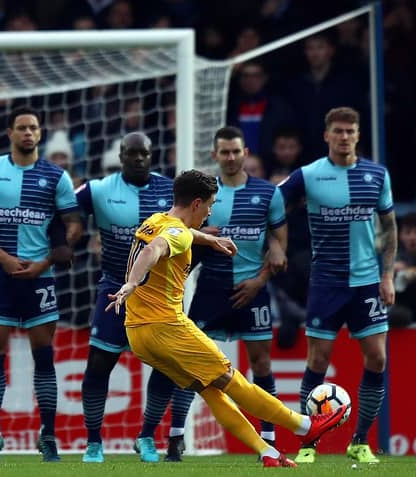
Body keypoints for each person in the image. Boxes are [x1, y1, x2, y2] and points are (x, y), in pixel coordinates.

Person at [107, 169, 349, 468]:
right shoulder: (177, 234)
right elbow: (155, 250)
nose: (210, 212)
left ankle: (268, 452)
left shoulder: (156, 220)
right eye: (209, 205)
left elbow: (168, 237)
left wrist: (209, 241)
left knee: (209, 390)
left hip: (139, 333)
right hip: (167, 327)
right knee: (231, 380)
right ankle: (303, 425)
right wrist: (131, 282)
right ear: (196, 203)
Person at [151, 126, 288, 460]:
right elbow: (176, 232)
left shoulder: (268, 193)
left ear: (246, 153)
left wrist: (260, 279)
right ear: (214, 155)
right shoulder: (203, 195)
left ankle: (268, 438)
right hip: (210, 288)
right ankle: (176, 437)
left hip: (252, 288)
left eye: (235, 151)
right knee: (190, 365)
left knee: (261, 362)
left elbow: (280, 244)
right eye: (224, 152)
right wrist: (198, 233)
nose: (230, 157)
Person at [279, 107, 397, 464]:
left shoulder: (377, 175)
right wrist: (275, 244)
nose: (344, 137)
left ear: (359, 135)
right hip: (326, 282)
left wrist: (388, 275)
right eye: (338, 131)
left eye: (351, 131)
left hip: (366, 282)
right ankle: (308, 444)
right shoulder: (309, 175)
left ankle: (360, 441)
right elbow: (272, 204)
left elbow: (390, 228)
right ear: (326, 135)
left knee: (377, 357)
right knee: (318, 359)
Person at [0, 105, 82, 463]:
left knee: (43, 354)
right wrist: (2, 257)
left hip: (40, 277)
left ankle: (48, 435)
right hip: (0, 274)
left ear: (40, 132)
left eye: (33, 127)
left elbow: (74, 226)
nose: (28, 133)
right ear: (10, 133)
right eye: (22, 128)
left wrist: (45, 262)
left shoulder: (57, 176)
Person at [76, 132, 174, 463]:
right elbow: (64, 208)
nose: (138, 159)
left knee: (165, 366)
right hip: (114, 287)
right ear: (120, 156)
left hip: (157, 293)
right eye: (131, 153)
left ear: (152, 154)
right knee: (99, 364)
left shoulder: (171, 190)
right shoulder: (99, 190)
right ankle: (93, 442)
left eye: (143, 153)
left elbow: (194, 228)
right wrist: (68, 239)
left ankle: (147, 437)